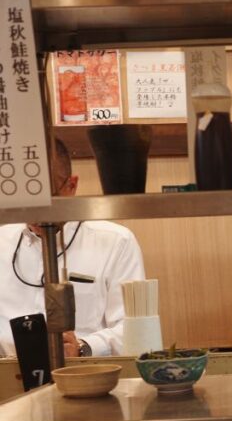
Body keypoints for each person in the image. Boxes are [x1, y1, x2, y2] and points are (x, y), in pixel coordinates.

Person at [0, 140, 145, 359]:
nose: (36, 212)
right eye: (25, 199)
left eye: (48, 197)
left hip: (89, 375)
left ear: (72, 186)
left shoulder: (115, 241)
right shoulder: (3, 241)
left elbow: (135, 329)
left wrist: (83, 346)